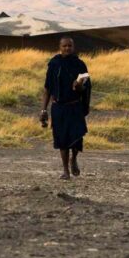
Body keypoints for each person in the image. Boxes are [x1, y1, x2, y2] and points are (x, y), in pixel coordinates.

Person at [40, 36, 91, 180]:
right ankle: (65, 170)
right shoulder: (54, 64)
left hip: (74, 106)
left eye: (70, 46)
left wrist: (79, 85)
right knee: (62, 139)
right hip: (58, 108)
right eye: (64, 46)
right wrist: (43, 110)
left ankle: (73, 159)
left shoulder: (80, 64)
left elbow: (86, 87)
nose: (67, 48)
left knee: (76, 138)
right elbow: (47, 89)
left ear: (73, 47)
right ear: (60, 47)